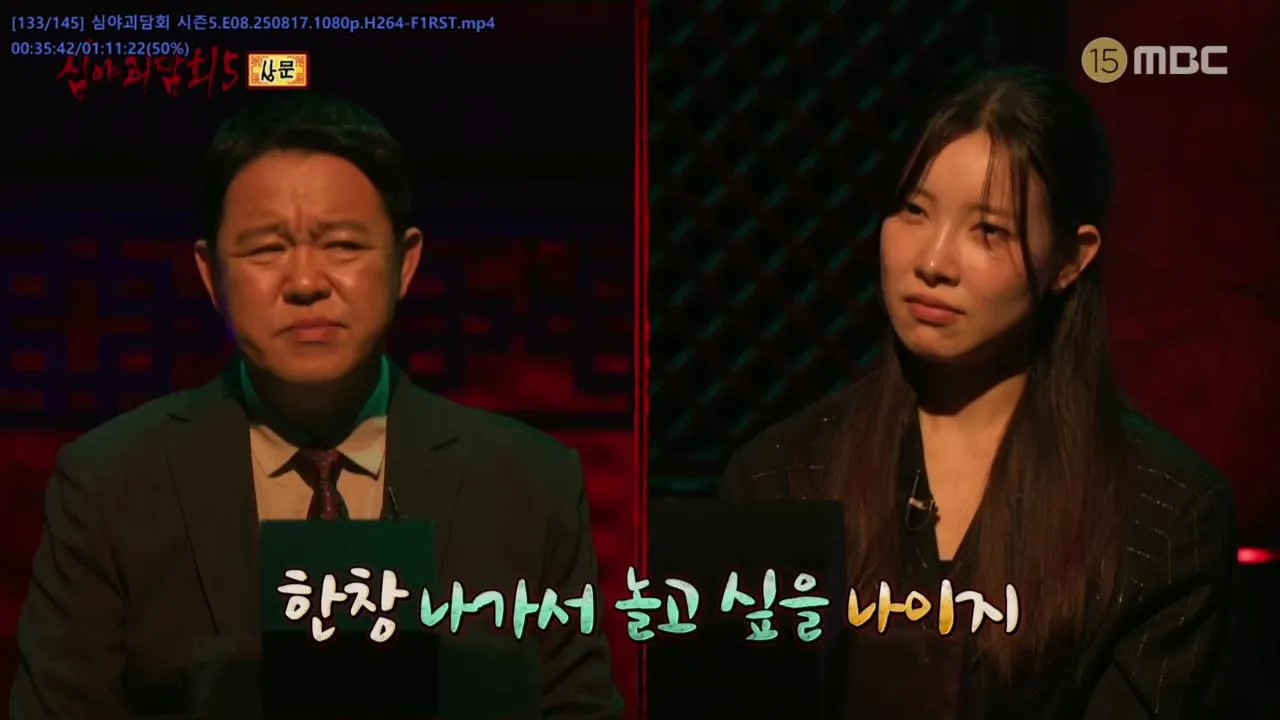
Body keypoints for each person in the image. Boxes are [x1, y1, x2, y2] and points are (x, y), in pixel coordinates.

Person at [10, 93, 623, 718]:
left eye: (344, 245)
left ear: (405, 263)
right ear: (211, 274)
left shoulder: (529, 484)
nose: (305, 283)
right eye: (266, 250)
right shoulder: (110, 485)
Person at [722, 67, 1236, 718]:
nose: (933, 262)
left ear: (1070, 259)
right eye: (913, 210)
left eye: (989, 230)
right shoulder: (780, 477)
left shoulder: (1163, 515)